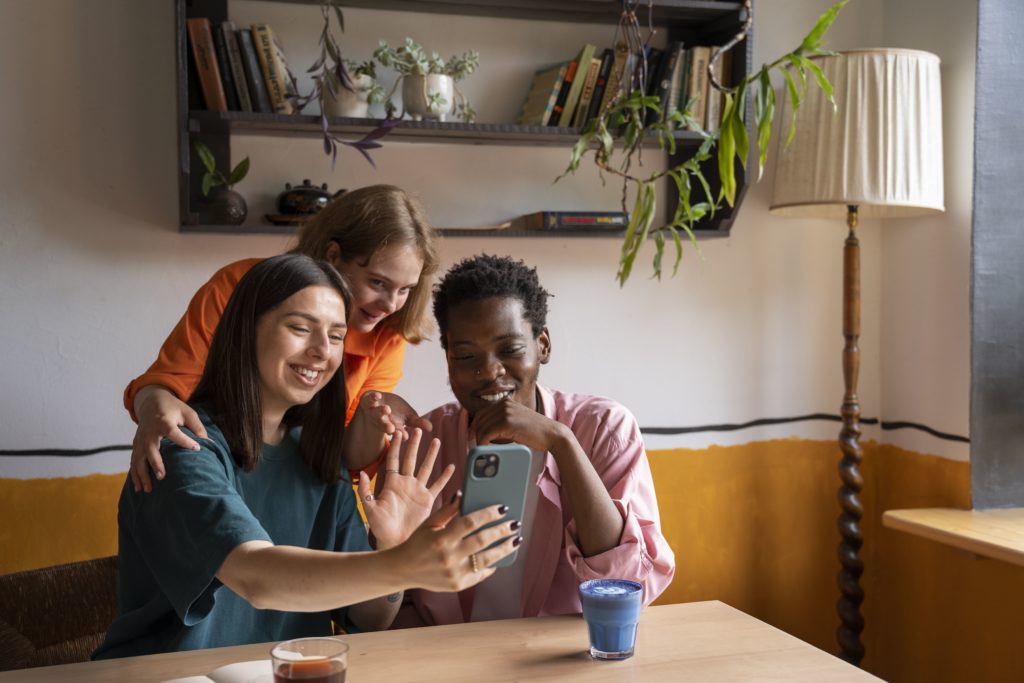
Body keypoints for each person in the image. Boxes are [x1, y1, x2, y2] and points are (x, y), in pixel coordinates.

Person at [94, 254, 518, 659]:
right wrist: (402, 565)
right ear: (246, 331)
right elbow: (255, 576)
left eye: (336, 336)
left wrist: (392, 548)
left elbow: (368, 619)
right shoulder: (184, 447)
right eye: (301, 327)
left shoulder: (317, 455)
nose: (322, 351)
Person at [399, 254, 675, 627]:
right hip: (449, 654)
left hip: (559, 656)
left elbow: (627, 585)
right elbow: (394, 598)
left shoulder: (604, 427)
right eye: (465, 355)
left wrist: (562, 442)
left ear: (542, 345)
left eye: (510, 350)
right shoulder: (426, 440)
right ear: (448, 358)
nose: (490, 372)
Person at [124, 185, 438, 493]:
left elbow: (344, 459)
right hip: (214, 470)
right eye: (378, 282)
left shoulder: (386, 336)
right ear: (333, 256)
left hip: (300, 491)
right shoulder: (237, 287)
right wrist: (152, 402)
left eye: (406, 289)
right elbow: (170, 384)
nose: (391, 304)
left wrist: (372, 420)